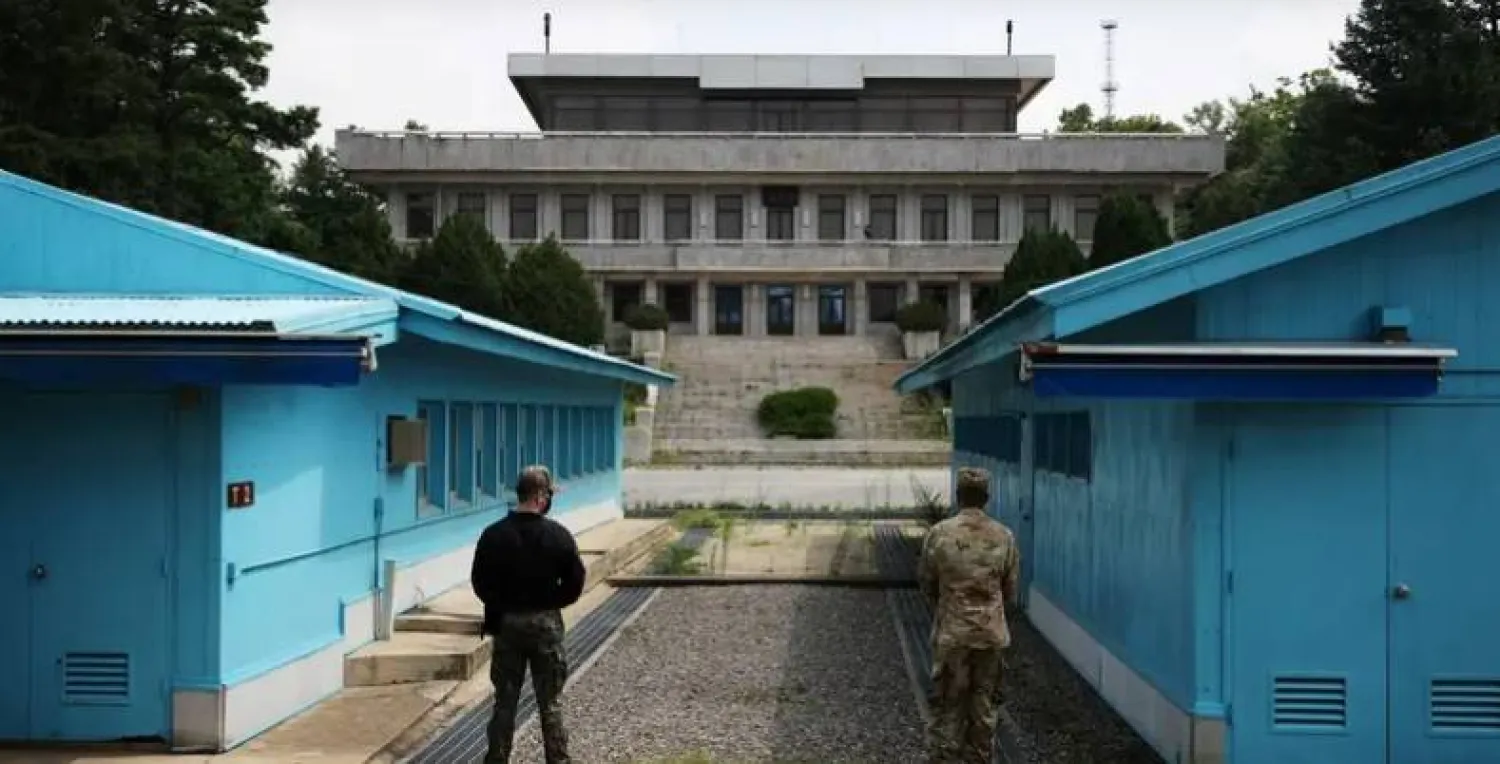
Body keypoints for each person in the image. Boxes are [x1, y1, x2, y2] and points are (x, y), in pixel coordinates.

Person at [471, 466, 585, 763]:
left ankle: (497, 758)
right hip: (545, 626)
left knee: (504, 702)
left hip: (506, 624)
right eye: (548, 494)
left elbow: (480, 582)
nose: (549, 499)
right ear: (539, 497)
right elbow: (575, 582)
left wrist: (503, 603)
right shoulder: (558, 536)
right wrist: (551, 600)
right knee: (550, 702)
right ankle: (558, 759)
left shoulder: (493, 535)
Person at [917, 466, 1021, 764]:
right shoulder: (1004, 536)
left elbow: (926, 581)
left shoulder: (940, 534)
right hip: (990, 635)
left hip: (953, 634)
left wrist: (948, 605)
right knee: (984, 706)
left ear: (959, 495)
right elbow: (1010, 589)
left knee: (949, 703)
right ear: (986, 497)